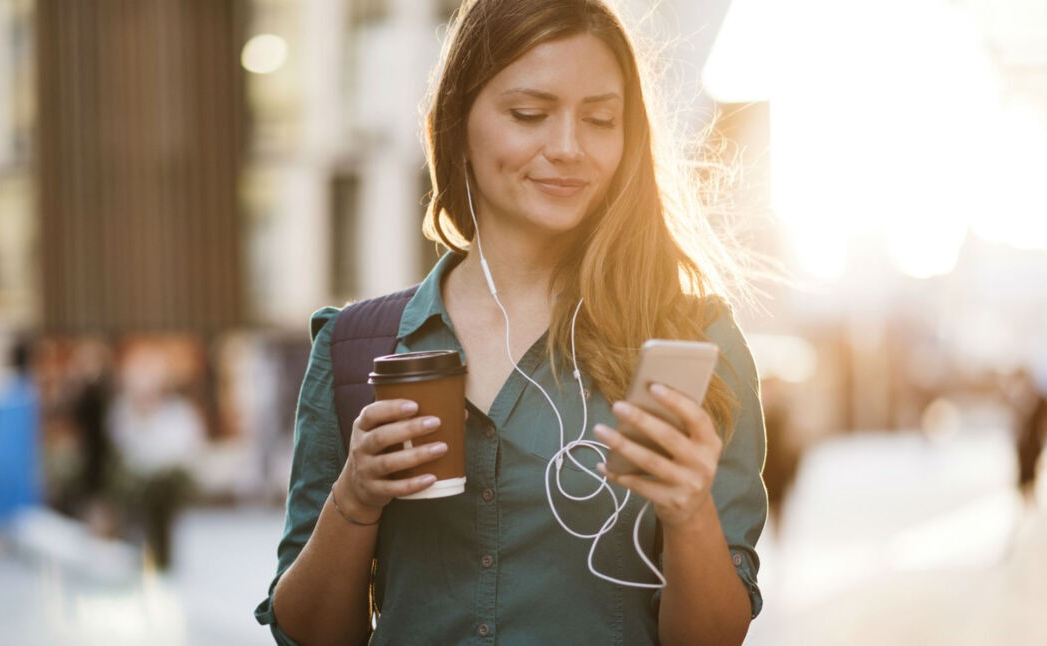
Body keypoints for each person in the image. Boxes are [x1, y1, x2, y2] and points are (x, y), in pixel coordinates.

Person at [255, 1, 767, 643]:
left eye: (601, 120)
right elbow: (307, 634)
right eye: (529, 115)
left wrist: (689, 514)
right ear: (458, 122)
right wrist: (354, 500)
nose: (568, 148)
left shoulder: (693, 344)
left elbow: (715, 638)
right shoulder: (357, 348)